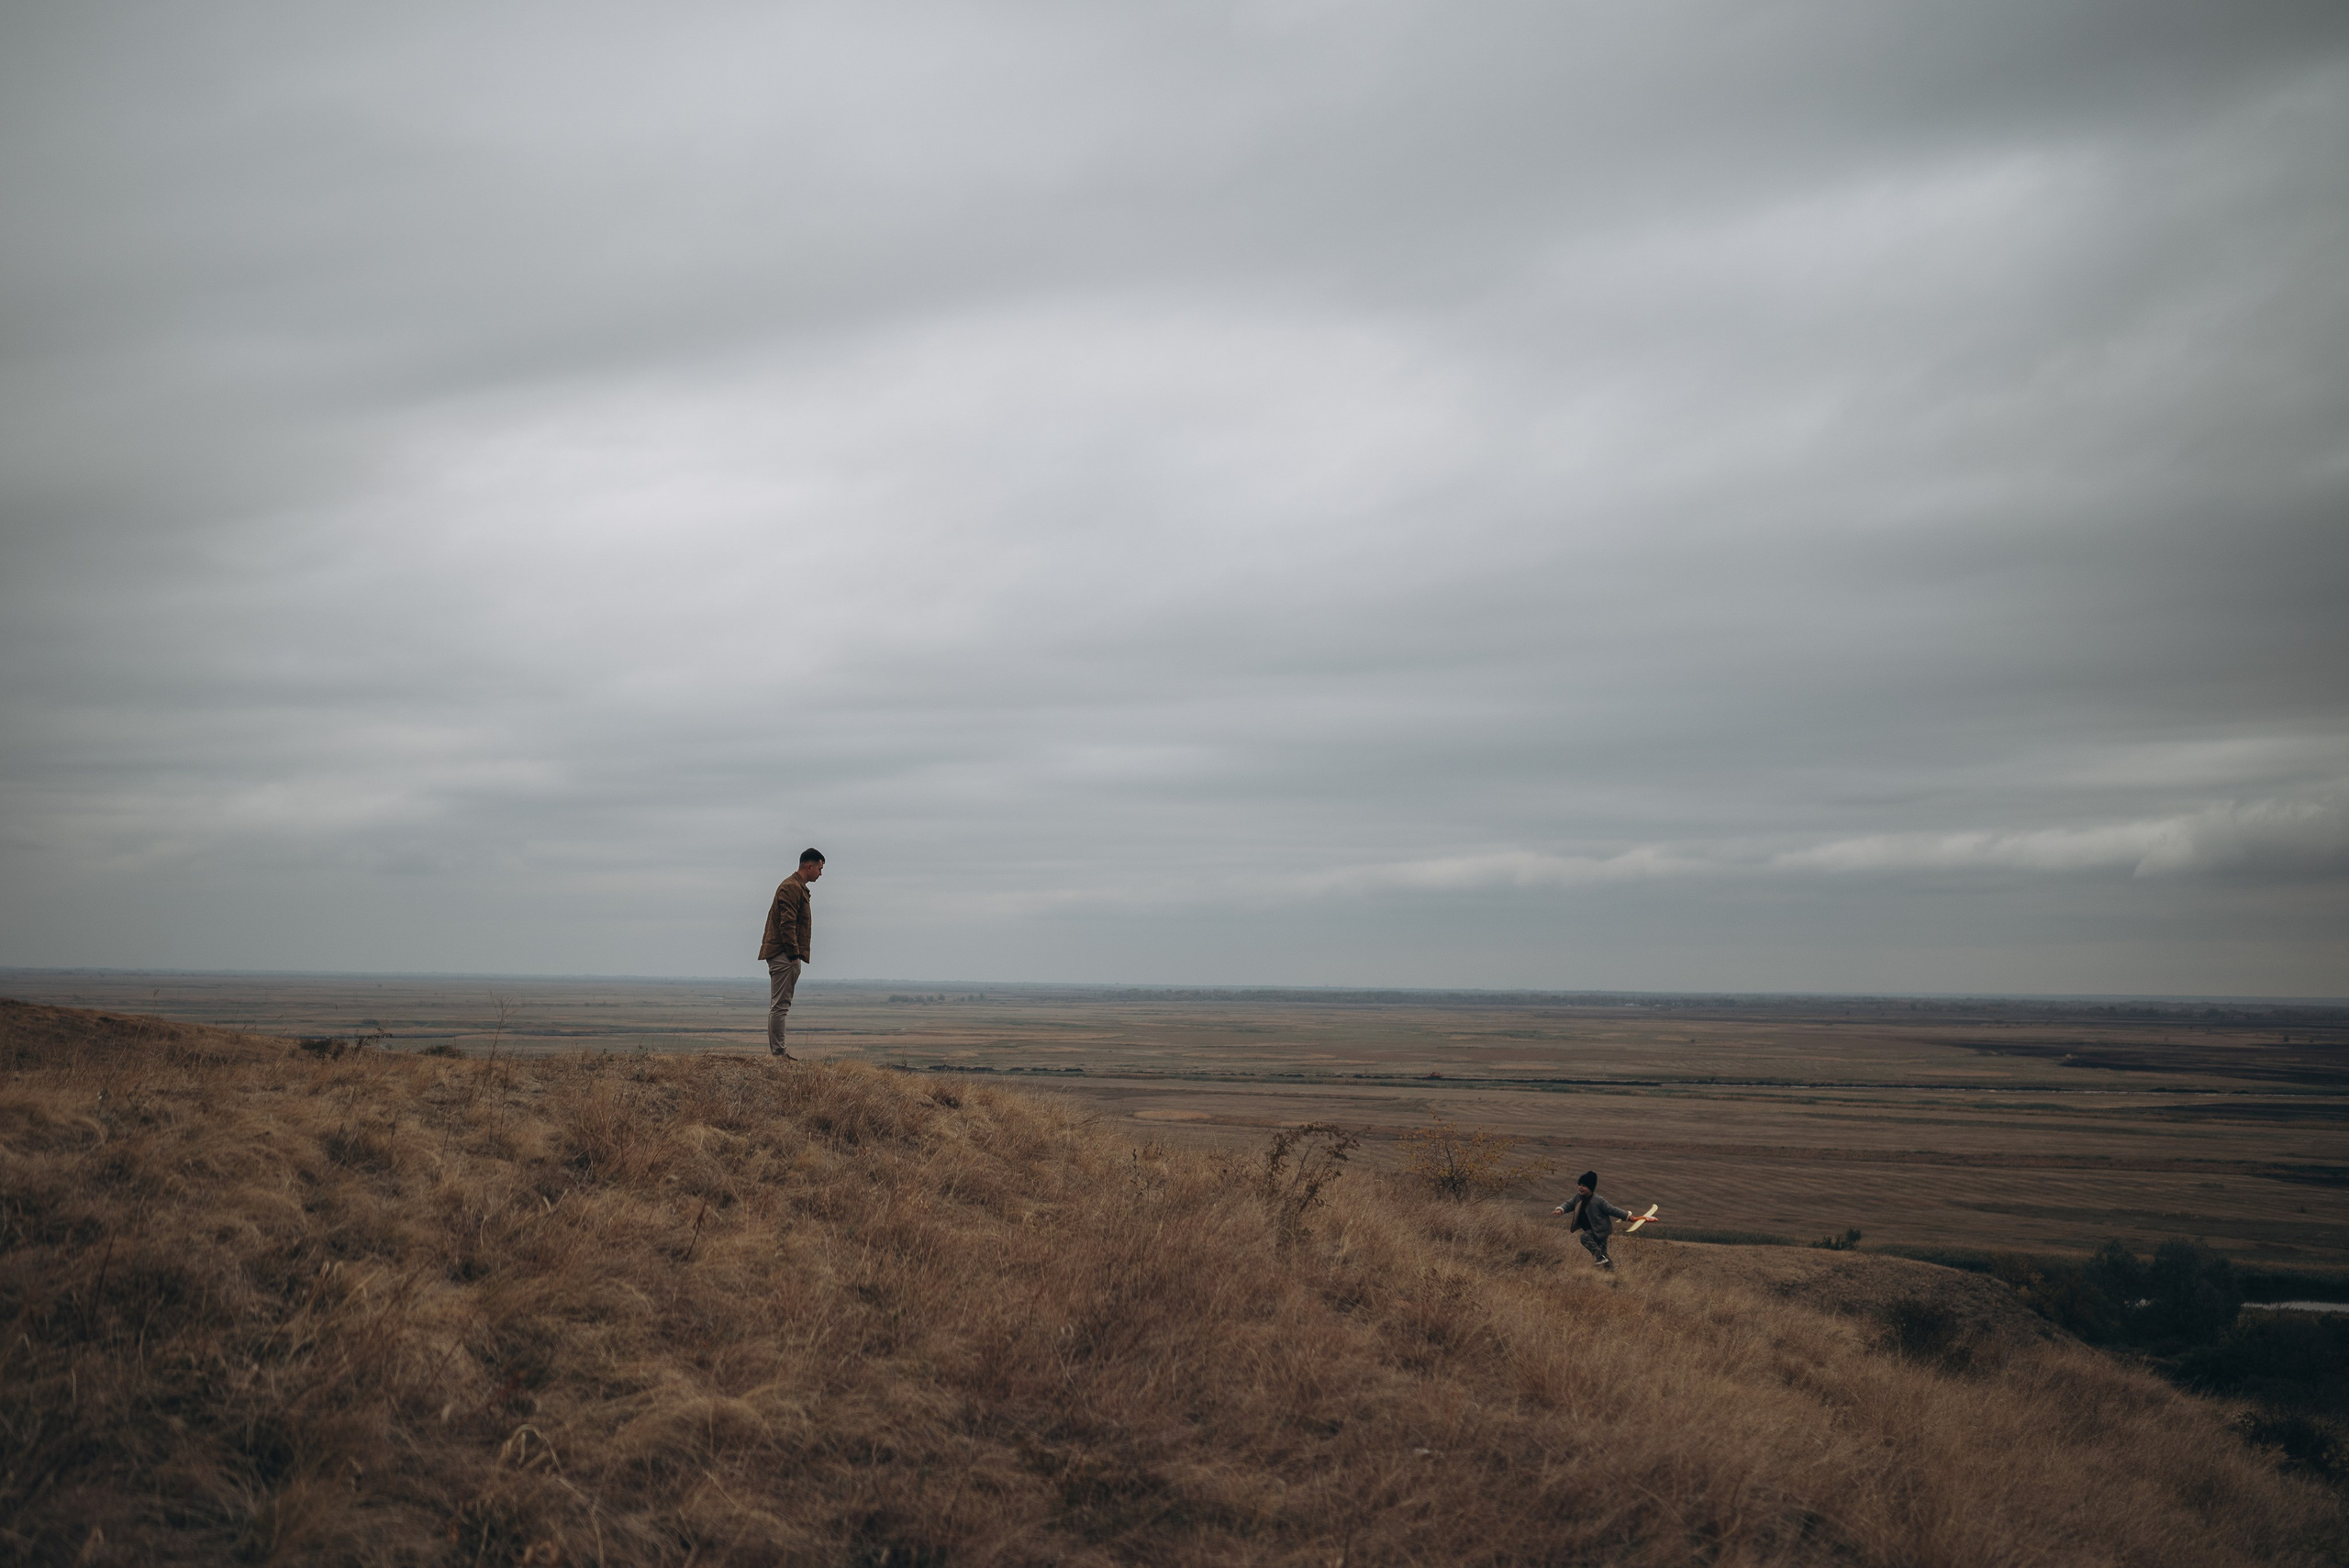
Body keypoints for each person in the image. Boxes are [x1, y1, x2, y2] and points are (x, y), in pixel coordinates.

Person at [757, 849, 825, 1060]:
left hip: (785, 954)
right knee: (780, 1006)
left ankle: (779, 1052)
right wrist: (794, 955)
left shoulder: (796, 887)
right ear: (809, 866)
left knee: (780, 1005)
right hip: (784, 954)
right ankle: (779, 1053)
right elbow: (787, 923)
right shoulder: (791, 887)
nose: (821, 874)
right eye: (820, 869)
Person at [1552, 1170, 1656, 1271]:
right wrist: (1561, 1209)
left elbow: (1612, 1210)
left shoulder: (1598, 1201)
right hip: (1592, 1229)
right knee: (1604, 1254)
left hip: (1601, 1229)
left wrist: (1628, 1217)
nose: (1580, 1187)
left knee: (1584, 1238)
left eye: (1583, 1186)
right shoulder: (1578, 1197)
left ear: (1590, 1187)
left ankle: (1599, 1257)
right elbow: (1569, 1204)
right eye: (1579, 1185)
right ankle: (1611, 1271)